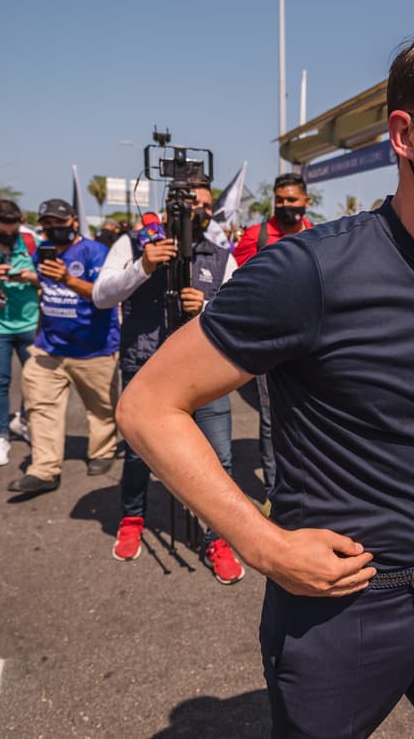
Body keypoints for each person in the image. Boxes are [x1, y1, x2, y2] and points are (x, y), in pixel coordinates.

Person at [116, 30, 414, 737]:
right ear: (405, 133)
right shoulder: (311, 270)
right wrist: (262, 543)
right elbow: (147, 404)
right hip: (338, 609)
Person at [92, 176, 244, 583]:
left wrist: (209, 307)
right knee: (139, 453)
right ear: (171, 205)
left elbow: (243, 313)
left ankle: (218, 536)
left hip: (205, 375)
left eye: (207, 205)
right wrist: (144, 266)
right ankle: (132, 518)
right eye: (192, 204)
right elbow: (102, 295)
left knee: (219, 457)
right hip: (146, 369)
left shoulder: (220, 254)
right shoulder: (132, 243)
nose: (200, 212)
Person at [7, 199, 119, 495]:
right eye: (47, 224)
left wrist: (68, 279)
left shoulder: (96, 253)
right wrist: (26, 278)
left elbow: (104, 296)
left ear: (74, 221)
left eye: (59, 222)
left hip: (94, 349)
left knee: (102, 409)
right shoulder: (41, 254)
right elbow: (43, 285)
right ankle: (44, 469)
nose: (54, 228)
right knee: (40, 407)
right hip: (49, 348)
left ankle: (102, 451)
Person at [233, 173, 314, 502]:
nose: (285, 206)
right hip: (271, 343)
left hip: (311, 344)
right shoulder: (256, 235)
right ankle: (275, 491)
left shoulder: (320, 234)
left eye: (292, 200)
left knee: (310, 415)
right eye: (280, 200)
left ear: (306, 202)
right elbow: (237, 284)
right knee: (271, 419)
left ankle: (308, 485)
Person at [0, 199, 40, 467]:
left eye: (14, 230)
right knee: (0, 382)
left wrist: (29, 277)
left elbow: (48, 275)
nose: (10, 235)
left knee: (34, 380)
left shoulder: (32, 241)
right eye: (4, 230)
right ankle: (0, 434)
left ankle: (23, 420)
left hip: (29, 322)